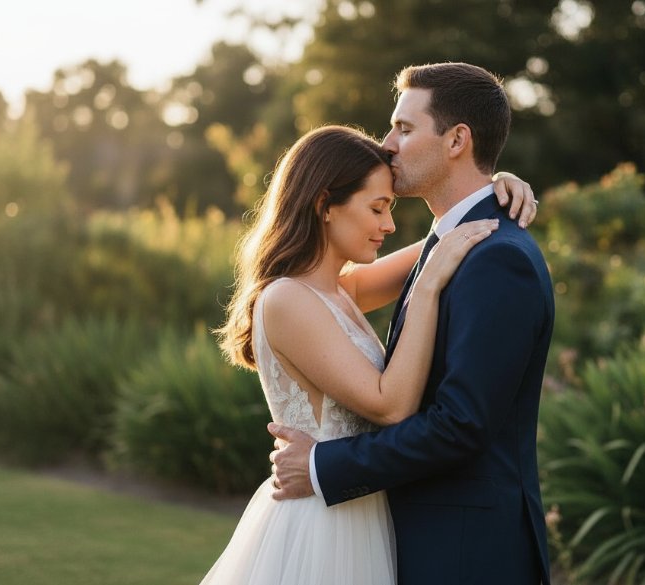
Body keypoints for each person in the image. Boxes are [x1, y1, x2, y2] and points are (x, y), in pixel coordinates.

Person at [204, 124, 537, 584]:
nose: (389, 225)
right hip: (323, 528)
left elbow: (455, 234)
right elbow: (391, 404)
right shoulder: (287, 299)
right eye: (377, 208)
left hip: (362, 515)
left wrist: (495, 188)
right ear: (325, 205)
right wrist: (427, 290)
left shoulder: (340, 291)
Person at [269, 62, 555, 584]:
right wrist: (492, 187)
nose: (388, 144)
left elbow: (460, 425)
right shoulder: (449, 246)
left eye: (404, 128)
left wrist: (321, 466)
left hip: (466, 554)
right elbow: (425, 255)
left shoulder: (494, 258)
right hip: (392, 536)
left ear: (456, 141)